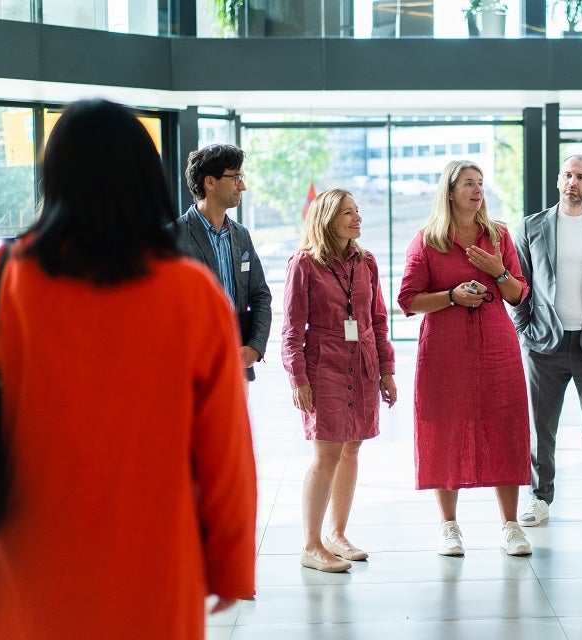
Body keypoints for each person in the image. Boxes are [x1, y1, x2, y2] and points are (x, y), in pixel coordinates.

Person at [0, 99, 257, 638]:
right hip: (154, 564)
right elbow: (226, 450)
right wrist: (230, 563)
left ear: (52, 178)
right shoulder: (190, 292)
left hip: (29, 563)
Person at [397, 159, 533, 557]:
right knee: (445, 428)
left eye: (481, 184)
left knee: (505, 425)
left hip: (497, 346)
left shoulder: (499, 236)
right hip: (445, 349)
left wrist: (499, 271)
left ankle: (510, 525)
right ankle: (449, 526)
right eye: (469, 184)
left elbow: (518, 294)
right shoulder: (427, 240)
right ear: (450, 191)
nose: (477, 191)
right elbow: (408, 299)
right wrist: (452, 296)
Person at [281, 188, 397, 573]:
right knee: (326, 453)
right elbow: (292, 331)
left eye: (358, 211)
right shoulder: (304, 264)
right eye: (348, 213)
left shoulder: (367, 262)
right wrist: (298, 378)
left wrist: (387, 370)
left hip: (362, 363)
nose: (358, 218)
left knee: (352, 449)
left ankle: (337, 535)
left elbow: (378, 320)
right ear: (328, 218)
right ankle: (311, 545)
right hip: (323, 364)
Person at [512, 154, 582, 528]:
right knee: (541, 427)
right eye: (567, 174)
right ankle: (539, 497)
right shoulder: (531, 227)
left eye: (581, 176)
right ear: (558, 180)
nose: (572, 181)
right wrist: (524, 329)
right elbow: (520, 285)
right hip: (544, 342)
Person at [174, 144, 272, 390]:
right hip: (192, 369)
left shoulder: (241, 236)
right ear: (210, 182)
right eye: (236, 177)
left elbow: (261, 295)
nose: (243, 186)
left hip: (238, 366)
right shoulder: (174, 237)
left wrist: (254, 347)